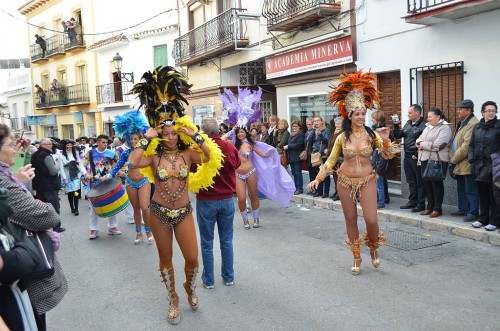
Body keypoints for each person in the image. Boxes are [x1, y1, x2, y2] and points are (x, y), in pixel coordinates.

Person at [129, 66, 223, 325]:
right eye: (164, 133)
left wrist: (196, 135)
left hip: (183, 213)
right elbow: (134, 163)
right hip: (158, 212)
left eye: (173, 132)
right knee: (165, 258)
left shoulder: (187, 153)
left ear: (179, 130)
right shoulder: (152, 155)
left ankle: (190, 287)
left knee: (193, 257)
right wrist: (146, 139)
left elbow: (208, 157)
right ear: (159, 131)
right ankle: (172, 299)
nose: (170, 137)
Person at [308, 70, 399, 276]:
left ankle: (374, 247)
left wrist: (384, 138)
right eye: (356, 114)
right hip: (345, 181)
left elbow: (387, 154)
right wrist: (318, 178)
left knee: (371, 219)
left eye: (362, 113)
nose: (360, 117)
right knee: (350, 219)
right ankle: (356, 256)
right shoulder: (341, 137)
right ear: (349, 116)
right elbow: (331, 161)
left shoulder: (371, 134)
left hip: (367, 179)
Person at [0, 124, 68, 331]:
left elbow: (12, 173)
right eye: (11, 145)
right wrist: (34, 197)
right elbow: (47, 216)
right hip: (22, 280)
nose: (15, 149)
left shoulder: (6, 176)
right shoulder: (4, 183)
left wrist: (21, 157)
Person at [220, 86, 295, 228]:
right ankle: (244, 220)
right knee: (241, 198)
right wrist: (232, 131)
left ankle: (255, 218)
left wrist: (272, 153)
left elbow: (264, 154)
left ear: (246, 133)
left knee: (253, 196)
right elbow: (221, 140)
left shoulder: (252, 144)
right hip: (238, 175)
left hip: (251, 173)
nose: (241, 134)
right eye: (239, 132)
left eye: (243, 132)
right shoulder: (231, 144)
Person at [196, 118, 240, 289]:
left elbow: (193, 170)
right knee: (227, 241)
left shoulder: (200, 149)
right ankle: (228, 277)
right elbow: (236, 164)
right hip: (227, 199)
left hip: (207, 200)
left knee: (207, 242)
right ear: (218, 131)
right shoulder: (228, 146)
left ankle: (209, 280)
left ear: (204, 133)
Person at [104, 110, 153, 244]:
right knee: (136, 208)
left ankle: (148, 230)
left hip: (144, 181)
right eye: (130, 139)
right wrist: (110, 175)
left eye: (135, 139)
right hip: (130, 182)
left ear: (140, 139)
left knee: (144, 207)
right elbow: (117, 166)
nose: (133, 141)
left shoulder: (146, 151)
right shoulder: (125, 153)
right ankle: (138, 233)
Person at [82, 134, 122, 239]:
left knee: (111, 204)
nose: (105, 144)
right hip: (94, 184)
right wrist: (85, 173)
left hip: (108, 182)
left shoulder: (111, 153)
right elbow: (82, 163)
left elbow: (116, 166)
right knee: (93, 208)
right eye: (103, 142)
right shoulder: (90, 153)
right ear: (98, 142)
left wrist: (116, 174)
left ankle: (113, 227)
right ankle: (93, 229)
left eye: (106, 143)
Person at [468, 101, 500, 230]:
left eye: (493, 110)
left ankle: (495, 220)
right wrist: (471, 159)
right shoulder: (477, 127)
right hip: (479, 166)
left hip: (494, 166)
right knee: (482, 194)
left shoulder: (498, 126)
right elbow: (471, 145)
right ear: (482, 112)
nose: (491, 113)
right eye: (488, 110)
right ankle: (483, 218)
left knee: (494, 196)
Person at [416, 108, 452, 218]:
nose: (428, 118)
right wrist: (421, 143)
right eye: (428, 116)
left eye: (430, 116)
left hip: (438, 160)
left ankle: (437, 208)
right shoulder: (427, 127)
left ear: (438, 117)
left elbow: (439, 145)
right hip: (425, 159)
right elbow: (418, 140)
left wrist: (423, 144)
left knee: (436, 184)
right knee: (427, 183)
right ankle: (430, 207)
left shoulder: (445, 128)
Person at [449, 99, 479, 221]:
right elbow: (455, 140)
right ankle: (463, 208)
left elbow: (466, 146)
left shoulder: (473, 123)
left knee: (470, 189)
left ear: (469, 110)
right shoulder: (462, 122)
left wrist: (454, 159)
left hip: (466, 162)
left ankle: (473, 212)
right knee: (461, 187)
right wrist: (451, 155)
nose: (458, 111)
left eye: (460, 109)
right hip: (458, 162)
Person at [393, 104, 427, 212]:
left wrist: (417, 155)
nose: (408, 114)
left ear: (417, 113)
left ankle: (420, 204)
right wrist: (396, 125)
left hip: (416, 156)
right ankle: (412, 201)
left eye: (410, 112)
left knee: (419, 181)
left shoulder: (424, 125)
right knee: (411, 180)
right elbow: (399, 135)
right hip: (407, 155)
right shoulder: (408, 123)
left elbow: (424, 142)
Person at [31, 138, 65, 232]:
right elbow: (53, 172)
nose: (51, 146)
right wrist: (57, 164)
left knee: (41, 207)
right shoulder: (47, 156)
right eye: (49, 144)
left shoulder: (34, 155)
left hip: (38, 185)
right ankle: (57, 227)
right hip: (49, 185)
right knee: (54, 206)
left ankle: (42, 228)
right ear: (43, 145)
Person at [371, 111, 393, 209]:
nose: (372, 120)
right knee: (381, 179)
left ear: (378, 119)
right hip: (376, 156)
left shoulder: (384, 130)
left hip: (383, 156)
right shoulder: (374, 129)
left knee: (379, 178)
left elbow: (388, 144)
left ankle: (381, 201)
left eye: (373, 118)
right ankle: (385, 198)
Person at [58, 139, 87, 216]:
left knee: (76, 192)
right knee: (70, 193)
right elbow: (61, 168)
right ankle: (72, 208)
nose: (69, 147)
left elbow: (80, 164)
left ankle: (76, 208)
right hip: (67, 176)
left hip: (76, 176)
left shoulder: (75, 154)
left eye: (70, 145)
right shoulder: (61, 155)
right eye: (67, 145)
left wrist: (85, 173)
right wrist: (64, 179)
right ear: (65, 146)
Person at [307, 116, 331, 198]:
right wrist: (313, 130)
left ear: (321, 122)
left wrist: (320, 135)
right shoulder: (314, 130)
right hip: (316, 155)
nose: (316, 122)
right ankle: (319, 191)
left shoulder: (326, 130)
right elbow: (309, 140)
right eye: (315, 121)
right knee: (317, 173)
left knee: (325, 174)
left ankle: (326, 191)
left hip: (323, 155)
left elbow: (328, 141)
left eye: (317, 121)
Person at [284, 120, 305, 194]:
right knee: (294, 173)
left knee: (298, 173)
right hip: (291, 156)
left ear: (299, 127)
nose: (294, 127)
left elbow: (299, 144)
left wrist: (289, 146)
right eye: (293, 126)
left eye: (296, 126)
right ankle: (296, 187)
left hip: (297, 156)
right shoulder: (292, 134)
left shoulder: (301, 134)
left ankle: (300, 188)